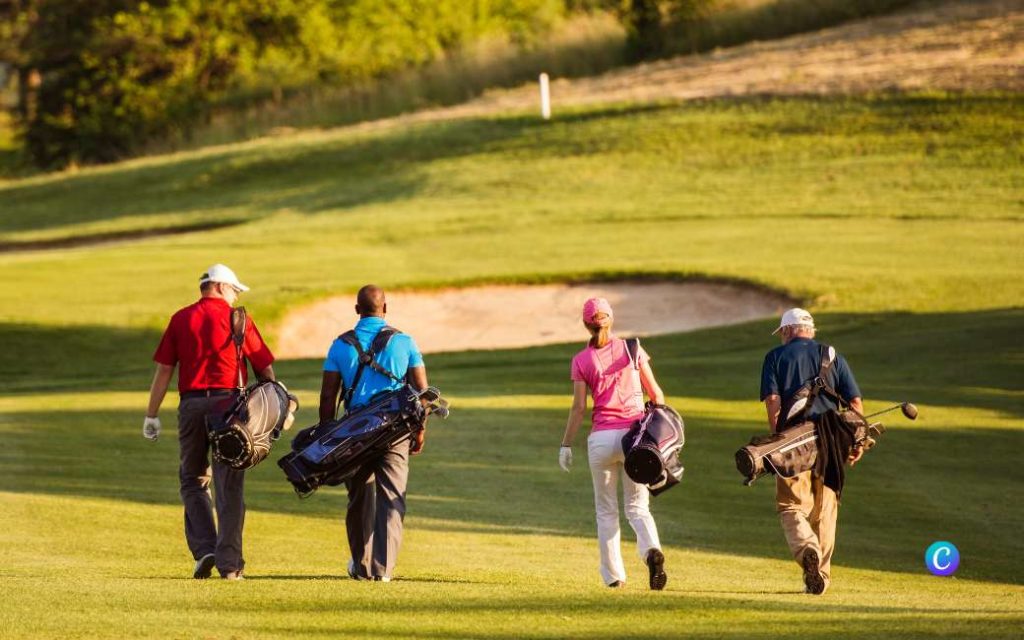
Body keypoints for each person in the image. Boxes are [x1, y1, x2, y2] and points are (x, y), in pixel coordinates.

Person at [143, 264, 275, 580]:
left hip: (190, 406)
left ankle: (205, 549)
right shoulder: (238, 318)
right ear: (218, 286)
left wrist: (151, 414)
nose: (235, 296)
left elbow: (164, 371)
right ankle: (230, 567)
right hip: (230, 407)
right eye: (234, 290)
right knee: (228, 485)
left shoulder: (181, 318)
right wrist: (276, 407)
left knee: (192, 478)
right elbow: (265, 369)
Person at [318, 285, 428, 582]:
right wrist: (420, 430)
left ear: (357, 310)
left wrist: (326, 436)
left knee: (359, 499)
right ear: (385, 308)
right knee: (392, 498)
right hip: (395, 430)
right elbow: (422, 392)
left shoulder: (340, 345)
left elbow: (329, 396)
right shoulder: (405, 341)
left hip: (354, 433)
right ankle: (383, 570)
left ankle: (361, 565)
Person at [559, 297, 669, 590]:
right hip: (634, 440)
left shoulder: (581, 360)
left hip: (600, 441)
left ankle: (614, 577)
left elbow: (579, 408)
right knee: (637, 507)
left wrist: (566, 444)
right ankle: (651, 551)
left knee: (605, 512)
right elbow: (657, 395)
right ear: (611, 318)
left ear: (586, 325)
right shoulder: (631, 348)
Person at [760, 307, 863, 595]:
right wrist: (857, 441)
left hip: (794, 443)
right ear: (809, 330)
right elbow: (855, 403)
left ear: (788, 330)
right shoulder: (831, 355)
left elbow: (772, 401)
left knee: (791, 506)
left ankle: (807, 551)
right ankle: (820, 579)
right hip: (832, 442)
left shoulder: (775, 357)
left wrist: (776, 439)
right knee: (825, 512)